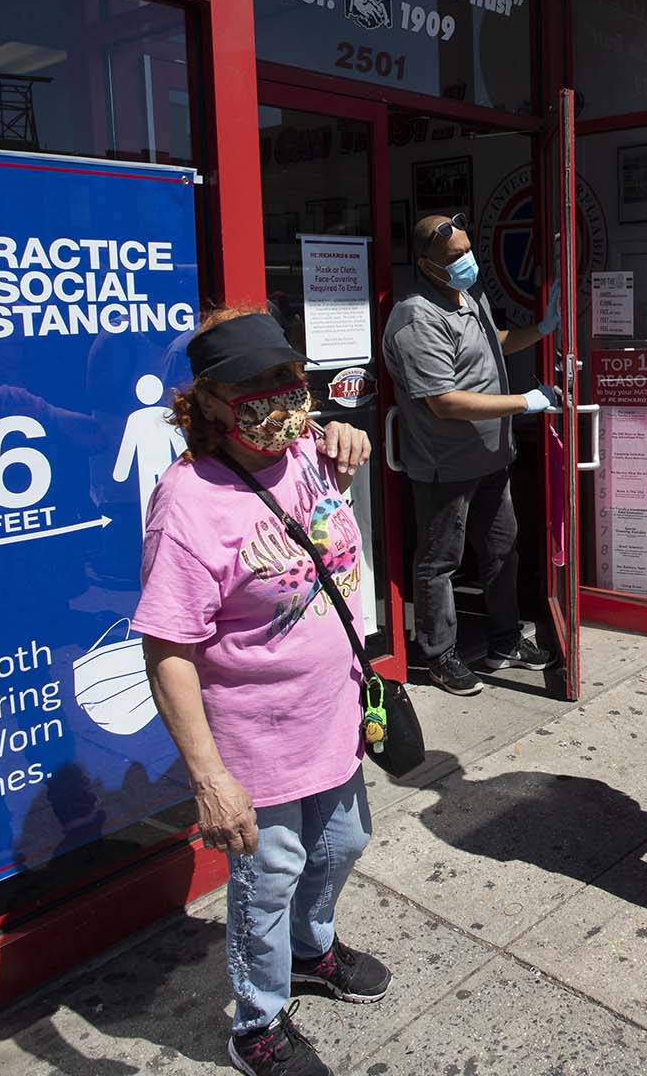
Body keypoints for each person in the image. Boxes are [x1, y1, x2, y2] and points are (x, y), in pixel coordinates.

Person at [132, 308, 388, 1076]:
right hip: (256, 737)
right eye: (252, 384)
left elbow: (336, 483)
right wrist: (209, 779)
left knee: (345, 843)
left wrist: (354, 437)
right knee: (265, 882)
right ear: (208, 399)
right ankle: (257, 1021)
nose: (278, 394)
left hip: (334, 711)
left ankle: (312, 950)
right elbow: (169, 650)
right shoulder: (187, 502)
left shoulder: (307, 447)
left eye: (286, 375)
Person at [382, 212, 562, 696]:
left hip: (490, 458)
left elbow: (494, 344)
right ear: (427, 264)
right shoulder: (417, 317)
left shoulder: (469, 296)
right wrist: (525, 401)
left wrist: (539, 330)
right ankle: (440, 656)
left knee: (503, 549)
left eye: (467, 250)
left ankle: (504, 642)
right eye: (454, 257)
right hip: (446, 464)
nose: (467, 261)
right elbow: (443, 401)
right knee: (440, 561)